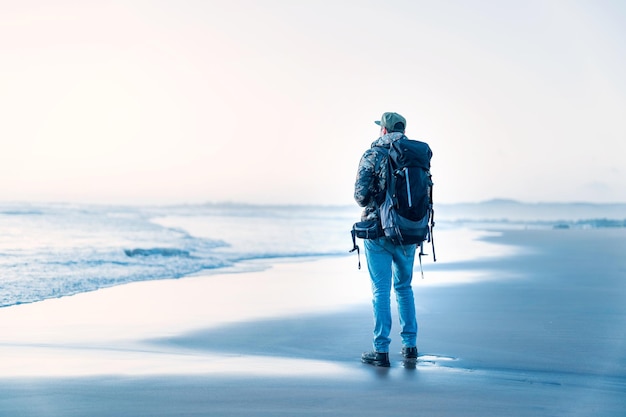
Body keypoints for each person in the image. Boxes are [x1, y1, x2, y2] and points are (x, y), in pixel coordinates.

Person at [354, 112, 420, 367]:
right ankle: (410, 346)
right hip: (408, 231)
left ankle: (381, 351)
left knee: (381, 290)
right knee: (404, 288)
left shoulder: (373, 154)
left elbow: (360, 196)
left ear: (383, 130)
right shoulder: (414, 155)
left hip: (378, 231)